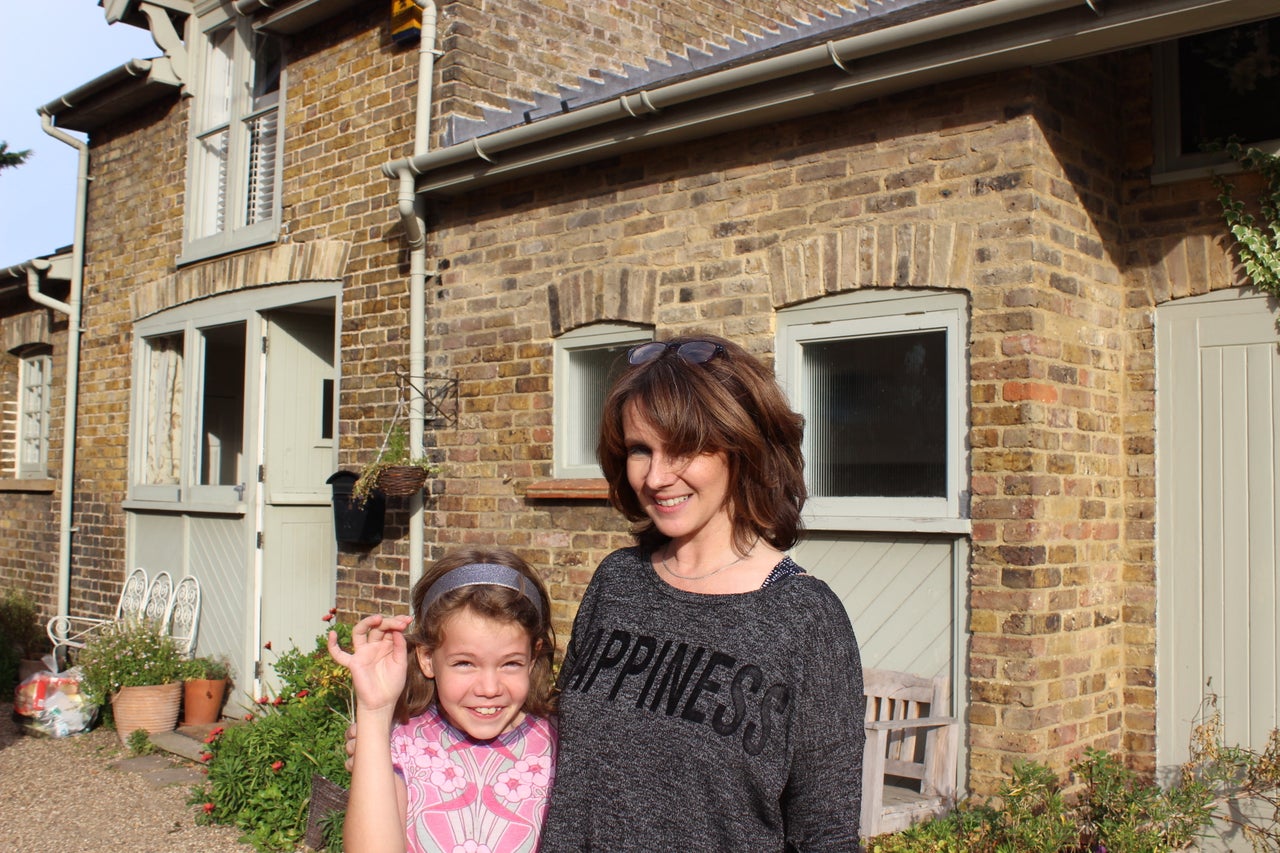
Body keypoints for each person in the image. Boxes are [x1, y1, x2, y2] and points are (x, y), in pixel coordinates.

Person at [539, 334, 866, 851]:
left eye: (685, 448)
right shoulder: (617, 581)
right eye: (640, 450)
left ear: (743, 447)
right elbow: (560, 752)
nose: (657, 477)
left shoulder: (805, 619)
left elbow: (824, 834)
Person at [329, 548, 558, 853]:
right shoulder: (403, 745)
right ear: (427, 658)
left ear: (533, 656)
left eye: (510, 663)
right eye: (465, 663)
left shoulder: (561, 747)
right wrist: (375, 712)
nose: (489, 688)